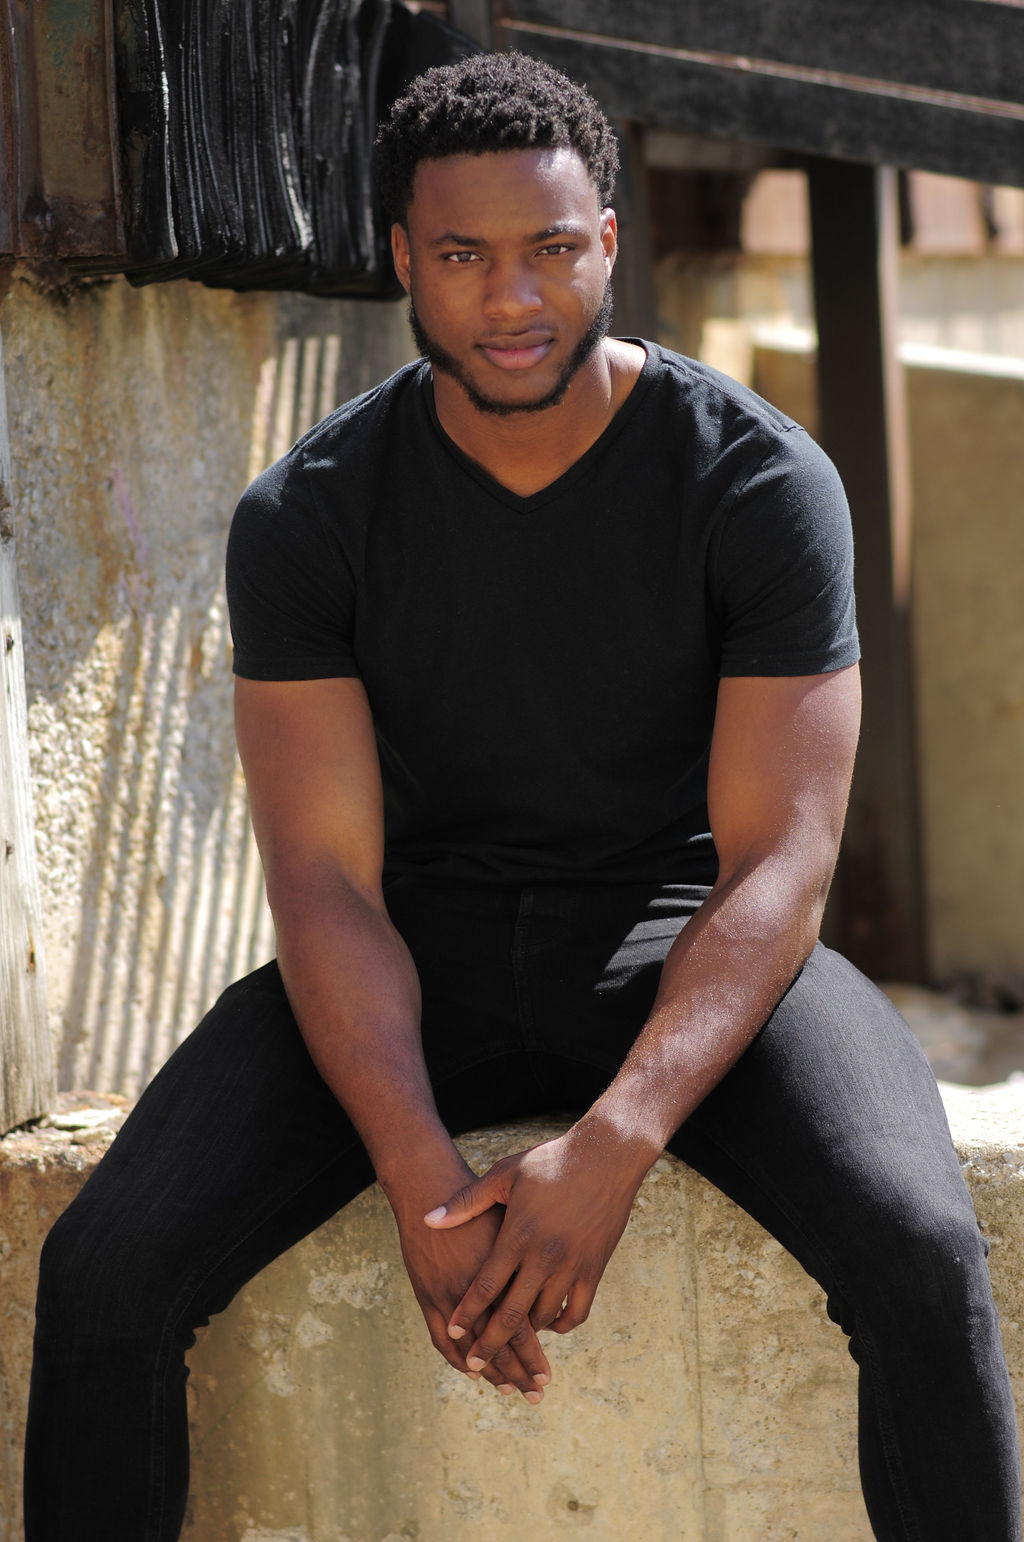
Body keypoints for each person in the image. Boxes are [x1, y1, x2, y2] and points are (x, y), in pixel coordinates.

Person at [25, 50, 1020, 1542]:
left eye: (552, 249)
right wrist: (420, 1175)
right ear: (399, 259)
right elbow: (324, 881)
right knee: (105, 1268)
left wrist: (612, 1148)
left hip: (685, 932)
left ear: (608, 241)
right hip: (415, 951)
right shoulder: (309, 514)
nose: (512, 300)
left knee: (924, 1248)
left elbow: (782, 863)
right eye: (462, 257)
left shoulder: (757, 483)